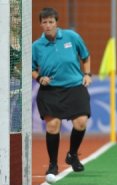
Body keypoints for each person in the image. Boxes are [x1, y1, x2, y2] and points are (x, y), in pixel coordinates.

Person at [32, 8, 92, 176]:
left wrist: (87, 74)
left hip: (74, 86)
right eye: (44, 22)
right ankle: (52, 164)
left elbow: (85, 56)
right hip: (50, 91)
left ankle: (72, 155)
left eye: (51, 22)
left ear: (56, 22)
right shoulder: (36, 46)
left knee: (81, 122)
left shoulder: (71, 37)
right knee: (52, 125)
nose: (48, 25)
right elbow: (31, 69)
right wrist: (39, 78)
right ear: (40, 24)